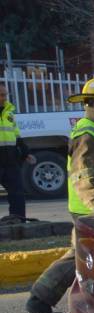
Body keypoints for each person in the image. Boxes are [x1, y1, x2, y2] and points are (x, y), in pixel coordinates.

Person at [26, 77, 94, 313]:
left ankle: (41, 299)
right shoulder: (89, 135)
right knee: (93, 259)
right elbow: (84, 178)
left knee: (80, 257)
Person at [0, 83, 36, 224]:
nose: (4, 98)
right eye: (1, 95)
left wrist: (25, 153)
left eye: (5, 94)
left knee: (17, 194)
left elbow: (16, 135)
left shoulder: (9, 113)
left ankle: (18, 222)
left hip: (10, 160)